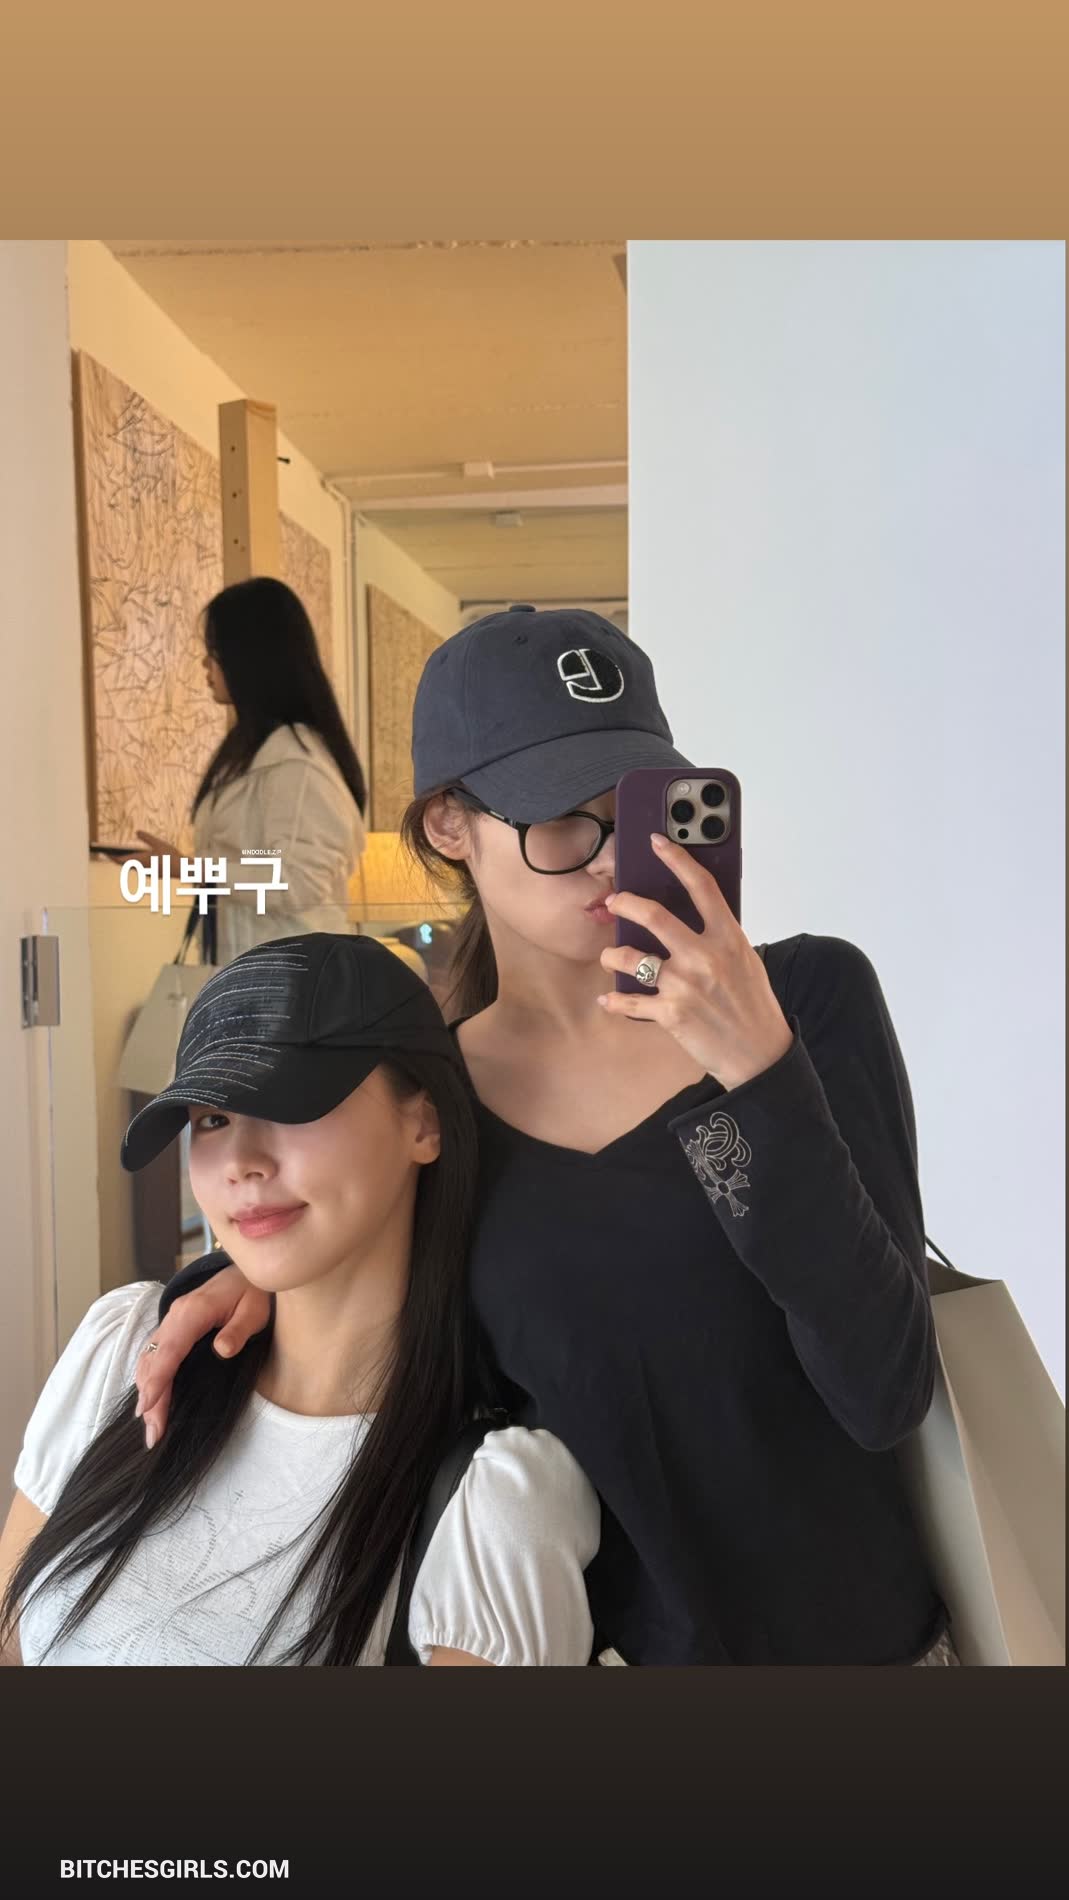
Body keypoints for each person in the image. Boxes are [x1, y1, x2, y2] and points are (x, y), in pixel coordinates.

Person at [126, 606, 958, 1666]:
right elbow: (373, 1312)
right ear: (449, 826)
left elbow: (883, 1390)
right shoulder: (427, 1104)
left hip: (866, 1658)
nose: (614, 859)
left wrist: (759, 1073)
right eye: (562, 820)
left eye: (638, 811)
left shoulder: (804, 999)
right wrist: (252, 1277)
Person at [0, 934, 599, 1667]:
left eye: (293, 1102)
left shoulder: (496, 1500)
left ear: (423, 1123)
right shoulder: (125, 1349)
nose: (242, 1163)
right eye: (212, 1120)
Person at [137, 577, 367, 965]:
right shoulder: (253, 754)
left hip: (290, 979)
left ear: (248, 658)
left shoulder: (298, 768)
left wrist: (191, 868)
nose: (205, 664)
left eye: (214, 652)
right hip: (252, 971)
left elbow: (297, 881)